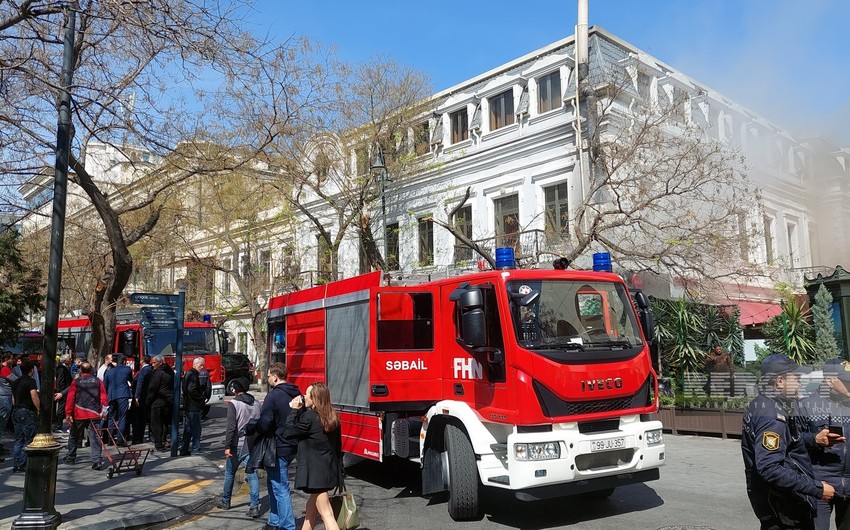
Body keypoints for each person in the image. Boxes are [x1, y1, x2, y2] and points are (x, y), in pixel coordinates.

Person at [742, 353, 835, 530]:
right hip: (784, 506)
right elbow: (769, 467)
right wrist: (816, 488)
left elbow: (789, 443)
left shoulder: (764, 403)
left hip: (776, 502)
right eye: (796, 378)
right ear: (779, 381)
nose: (800, 383)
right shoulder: (772, 416)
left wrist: (814, 439)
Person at [796, 358, 850, 530]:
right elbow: (792, 440)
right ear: (830, 381)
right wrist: (814, 440)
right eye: (847, 382)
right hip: (819, 485)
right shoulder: (806, 404)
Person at [285, 382, 342, 530]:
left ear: (315, 399)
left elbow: (288, 432)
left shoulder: (310, 417)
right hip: (328, 468)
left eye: (307, 394)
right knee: (310, 509)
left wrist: (293, 411)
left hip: (315, 473)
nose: (304, 397)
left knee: (327, 514)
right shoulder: (332, 416)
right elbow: (338, 446)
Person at [257, 362, 301, 530]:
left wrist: (256, 427)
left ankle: (287, 526)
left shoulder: (273, 396)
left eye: (268, 376)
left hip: (277, 446)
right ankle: (274, 521)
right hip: (292, 445)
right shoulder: (296, 392)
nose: (267, 379)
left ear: (275, 377)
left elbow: (265, 423)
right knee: (273, 483)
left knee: (280, 487)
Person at [216, 377, 261, 518]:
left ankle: (226, 501)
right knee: (252, 475)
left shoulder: (234, 404)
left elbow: (231, 427)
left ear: (236, 389)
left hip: (238, 444)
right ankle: (254, 506)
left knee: (230, 472)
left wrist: (227, 446)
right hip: (252, 443)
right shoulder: (256, 403)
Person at [63, 361, 109, 470]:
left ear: (81, 370)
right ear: (91, 370)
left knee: (74, 435)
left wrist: (68, 413)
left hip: (79, 413)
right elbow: (104, 397)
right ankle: (97, 460)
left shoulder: (76, 382)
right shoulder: (97, 381)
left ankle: (71, 457)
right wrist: (105, 411)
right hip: (94, 414)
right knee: (95, 437)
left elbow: (70, 399)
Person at [11, 359, 39, 472]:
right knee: (29, 438)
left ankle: (16, 463)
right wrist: (39, 409)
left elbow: (13, 398)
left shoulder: (16, 382)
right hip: (26, 410)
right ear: (31, 370)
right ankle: (23, 463)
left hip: (17, 410)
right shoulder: (30, 381)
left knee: (19, 439)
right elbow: (34, 396)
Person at [103, 354, 133, 445]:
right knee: (122, 417)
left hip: (112, 396)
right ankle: (120, 439)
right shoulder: (127, 369)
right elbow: (131, 380)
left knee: (111, 417)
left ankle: (110, 439)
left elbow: (105, 385)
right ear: (124, 362)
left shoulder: (109, 371)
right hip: (123, 394)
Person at [146, 355, 174, 451]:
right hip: (168, 401)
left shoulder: (158, 373)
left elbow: (152, 389)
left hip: (158, 402)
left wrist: (148, 402)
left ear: (160, 362)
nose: (152, 364)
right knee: (164, 423)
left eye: (154, 363)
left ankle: (159, 444)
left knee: (156, 424)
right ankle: (164, 440)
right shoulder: (170, 372)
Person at [180, 357, 206, 455]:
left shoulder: (189, 373)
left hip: (189, 405)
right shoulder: (193, 375)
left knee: (188, 428)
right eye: (201, 365)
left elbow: (186, 389)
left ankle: (184, 449)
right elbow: (192, 390)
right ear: (195, 364)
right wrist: (201, 397)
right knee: (196, 429)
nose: (202, 367)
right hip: (193, 406)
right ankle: (196, 449)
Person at [131, 355, 152, 444]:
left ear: (142, 361)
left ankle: (137, 438)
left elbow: (139, 384)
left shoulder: (143, 371)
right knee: (143, 417)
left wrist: (136, 397)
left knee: (137, 418)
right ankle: (140, 436)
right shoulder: (151, 370)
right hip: (147, 395)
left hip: (141, 397)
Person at [0, 352, 17, 460]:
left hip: (4, 396)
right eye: (12, 358)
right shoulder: (5, 369)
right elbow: (16, 380)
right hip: (4, 397)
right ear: (6, 359)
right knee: (2, 422)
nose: (13, 360)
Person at [54, 352, 73, 431]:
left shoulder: (64, 368)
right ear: (65, 360)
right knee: (61, 409)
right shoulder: (62, 369)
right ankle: (58, 425)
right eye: (69, 359)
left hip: (65, 390)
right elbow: (61, 381)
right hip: (63, 391)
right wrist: (61, 392)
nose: (70, 360)